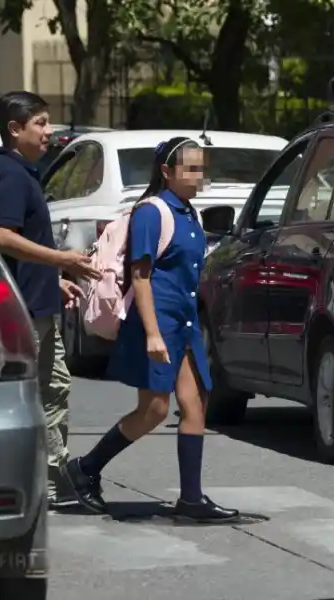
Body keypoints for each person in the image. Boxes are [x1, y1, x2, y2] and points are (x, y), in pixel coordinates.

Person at [62, 136, 239, 523]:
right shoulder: (151, 212)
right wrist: (154, 333)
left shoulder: (190, 213)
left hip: (186, 324)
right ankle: (84, 469)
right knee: (154, 410)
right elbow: (140, 277)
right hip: (157, 323)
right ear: (166, 172)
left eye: (200, 169)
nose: (198, 176)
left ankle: (191, 499)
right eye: (190, 169)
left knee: (196, 406)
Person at [0, 91, 101, 507]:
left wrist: (53, 277)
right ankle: (40, 485)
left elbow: (22, 241)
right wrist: (62, 259)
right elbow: (3, 236)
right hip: (23, 311)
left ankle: (52, 483)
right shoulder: (10, 175)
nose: (49, 132)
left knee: (54, 389)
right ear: (14, 129)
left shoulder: (20, 172)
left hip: (38, 302)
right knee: (34, 396)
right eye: (41, 123)